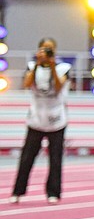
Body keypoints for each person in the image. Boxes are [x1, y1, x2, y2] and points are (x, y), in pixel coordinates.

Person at [9, 38, 71, 205]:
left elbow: (58, 88)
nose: (47, 52)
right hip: (36, 119)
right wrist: (38, 64)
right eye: (44, 49)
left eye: (50, 49)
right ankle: (18, 191)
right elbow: (27, 84)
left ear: (55, 51)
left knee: (55, 158)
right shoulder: (31, 67)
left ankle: (53, 192)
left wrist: (51, 66)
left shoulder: (63, 68)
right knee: (27, 157)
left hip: (56, 119)